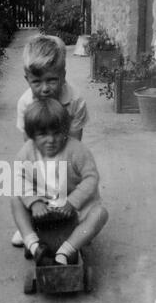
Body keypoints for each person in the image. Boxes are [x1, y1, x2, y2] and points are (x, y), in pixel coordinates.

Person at [12, 34, 89, 247]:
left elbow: (75, 145)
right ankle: (28, 227)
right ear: (27, 79)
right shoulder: (26, 103)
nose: (44, 89)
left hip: (67, 160)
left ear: (63, 75)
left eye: (51, 80)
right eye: (37, 82)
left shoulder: (75, 101)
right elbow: (29, 147)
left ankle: (74, 221)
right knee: (21, 191)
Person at [11, 98, 108, 265]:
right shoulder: (27, 151)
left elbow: (91, 177)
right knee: (16, 201)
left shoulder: (77, 150)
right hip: (42, 206)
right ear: (32, 135)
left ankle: (66, 250)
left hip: (72, 207)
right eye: (42, 134)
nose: (51, 140)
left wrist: (72, 202)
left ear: (65, 130)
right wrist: (34, 202)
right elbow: (19, 177)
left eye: (56, 132)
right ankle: (34, 245)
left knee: (100, 213)